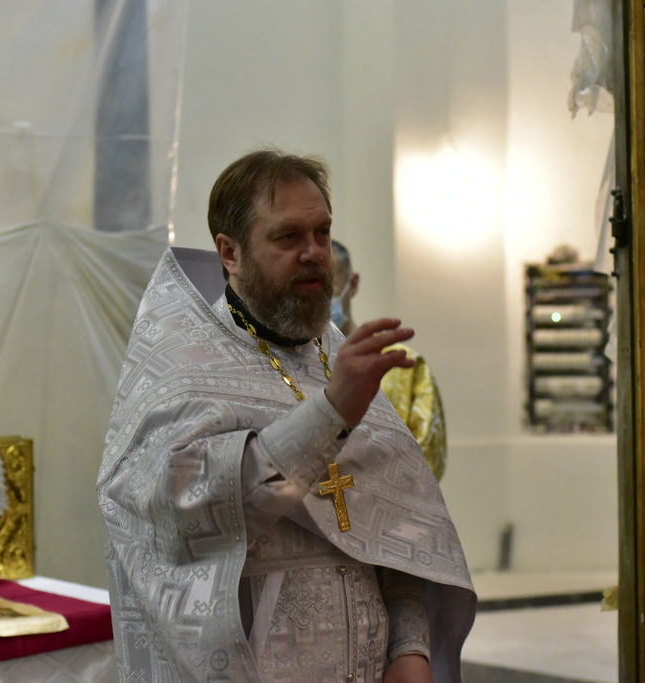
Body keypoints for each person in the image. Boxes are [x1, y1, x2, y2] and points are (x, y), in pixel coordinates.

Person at [97, 148, 475, 683]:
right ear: (230, 252)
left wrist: (411, 647)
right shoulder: (180, 370)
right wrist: (330, 414)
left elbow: (398, 531)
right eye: (288, 236)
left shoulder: (337, 358)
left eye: (322, 232)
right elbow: (192, 518)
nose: (315, 252)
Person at [331, 241, 449, 480]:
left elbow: (426, 463)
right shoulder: (284, 365)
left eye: (329, 284)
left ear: (353, 283)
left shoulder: (401, 366)